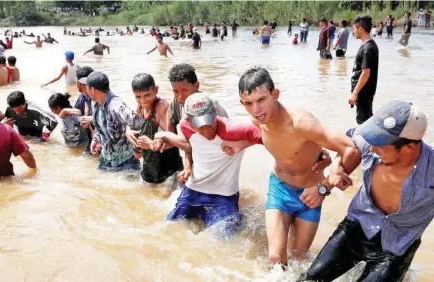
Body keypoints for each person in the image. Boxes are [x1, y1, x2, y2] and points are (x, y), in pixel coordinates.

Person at [227, 67, 359, 268]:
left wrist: (324, 188)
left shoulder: (301, 123)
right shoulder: (257, 119)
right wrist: (240, 145)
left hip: (311, 194)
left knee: (298, 260)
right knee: (276, 259)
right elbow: (279, 142)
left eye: (261, 100)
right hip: (280, 188)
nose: (256, 109)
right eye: (248, 103)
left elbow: (351, 149)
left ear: (275, 94)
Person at [298, 100, 432, 282]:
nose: (372, 148)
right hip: (358, 225)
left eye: (380, 143)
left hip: (397, 246)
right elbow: (349, 145)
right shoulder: (368, 144)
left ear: (409, 147)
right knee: (309, 280)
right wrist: (332, 173)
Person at [151, 93, 261, 238]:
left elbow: (271, 133)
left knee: (222, 238)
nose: (205, 128)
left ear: (215, 112)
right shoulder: (185, 126)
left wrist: (242, 143)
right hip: (194, 191)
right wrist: (163, 136)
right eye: (199, 124)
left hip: (223, 196)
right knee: (167, 229)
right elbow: (189, 145)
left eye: (209, 121)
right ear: (189, 120)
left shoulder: (233, 129)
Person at [126, 73, 182, 184]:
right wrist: (128, 132)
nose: (143, 100)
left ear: (156, 90)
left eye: (147, 95)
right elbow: (138, 154)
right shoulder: (140, 108)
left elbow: (176, 141)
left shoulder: (161, 106)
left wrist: (151, 145)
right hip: (149, 173)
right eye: (138, 97)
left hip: (168, 174)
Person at [84, 71, 140, 171]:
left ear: (92, 90)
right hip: (106, 159)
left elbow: (138, 122)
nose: (86, 90)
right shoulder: (96, 104)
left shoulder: (116, 105)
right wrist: (96, 139)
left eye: (86, 87)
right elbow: (99, 127)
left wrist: (128, 128)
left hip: (126, 162)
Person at [349, 15, 379, 125]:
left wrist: (355, 93)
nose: (353, 32)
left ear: (360, 29)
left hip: (364, 91)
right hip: (363, 90)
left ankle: (369, 142)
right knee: (366, 118)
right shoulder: (367, 46)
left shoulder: (368, 48)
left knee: (363, 121)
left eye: (354, 29)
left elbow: (366, 73)